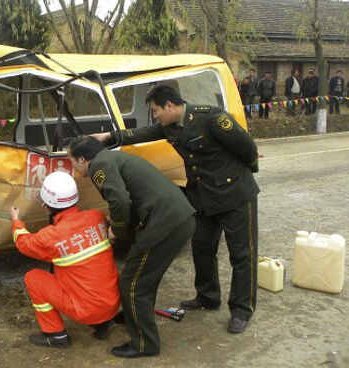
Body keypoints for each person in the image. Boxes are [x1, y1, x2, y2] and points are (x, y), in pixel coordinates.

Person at [93, 84, 259, 335]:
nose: (155, 115)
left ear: (170, 106)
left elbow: (247, 147)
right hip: (203, 197)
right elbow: (143, 133)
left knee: (241, 254)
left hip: (234, 194)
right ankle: (208, 296)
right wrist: (108, 137)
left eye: (156, 110)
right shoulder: (170, 126)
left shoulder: (211, 117)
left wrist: (240, 176)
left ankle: (241, 309)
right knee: (202, 248)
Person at [68, 136, 196, 359]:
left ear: (82, 159)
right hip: (178, 218)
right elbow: (131, 197)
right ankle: (132, 316)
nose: (73, 167)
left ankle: (145, 344)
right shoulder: (112, 157)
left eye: (72, 161)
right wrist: (119, 221)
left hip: (166, 223)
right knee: (143, 277)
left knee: (132, 282)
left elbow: (119, 200)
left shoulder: (100, 164)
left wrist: (115, 231)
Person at [10, 171, 120, 349]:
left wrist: (16, 221)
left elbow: (23, 243)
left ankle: (55, 335)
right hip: (113, 304)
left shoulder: (50, 236)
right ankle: (104, 322)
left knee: (34, 278)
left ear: (46, 206)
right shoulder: (97, 217)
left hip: (86, 312)